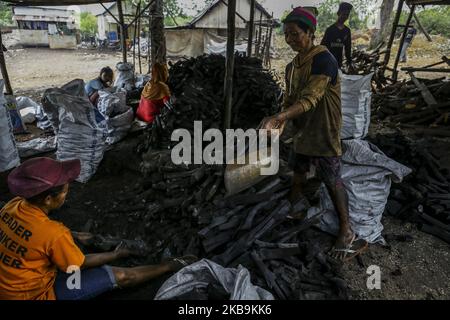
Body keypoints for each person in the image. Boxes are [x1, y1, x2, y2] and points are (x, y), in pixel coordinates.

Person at [0, 157, 197, 300]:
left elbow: (38, 236)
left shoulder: (13, 206)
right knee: (120, 275)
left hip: (8, 285)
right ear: (49, 199)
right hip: (34, 295)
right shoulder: (53, 233)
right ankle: (170, 265)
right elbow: (79, 265)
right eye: (65, 191)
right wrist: (117, 255)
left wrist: (74, 235)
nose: (66, 194)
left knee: (70, 246)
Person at [260, 7, 367, 263]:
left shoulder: (324, 60)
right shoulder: (291, 66)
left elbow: (311, 98)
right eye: (286, 35)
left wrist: (280, 118)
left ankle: (346, 230)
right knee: (298, 168)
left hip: (324, 127)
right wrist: (282, 119)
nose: (290, 40)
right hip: (302, 127)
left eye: (295, 34)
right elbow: (290, 99)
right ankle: (295, 208)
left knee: (331, 177)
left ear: (311, 32)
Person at [321, 2, 354, 71]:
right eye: (343, 14)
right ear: (338, 13)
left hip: (338, 63)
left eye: (347, 15)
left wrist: (350, 62)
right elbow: (322, 46)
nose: (345, 17)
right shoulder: (330, 30)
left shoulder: (347, 31)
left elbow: (348, 48)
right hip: (328, 63)